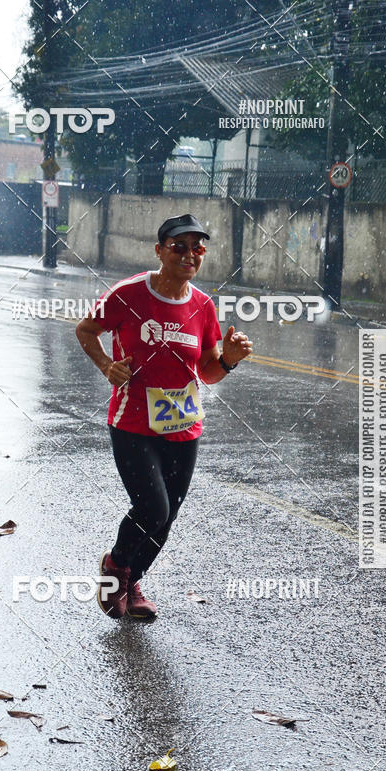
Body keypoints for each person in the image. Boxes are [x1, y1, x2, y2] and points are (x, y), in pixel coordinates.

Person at [75, 213, 252, 621]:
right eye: (178, 247)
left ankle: (132, 582)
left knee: (167, 515)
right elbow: (86, 330)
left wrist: (229, 359)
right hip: (132, 421)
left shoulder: (203, 306)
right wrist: (106, 366)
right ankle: (115, 567)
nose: (189, 255)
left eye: (197, 248)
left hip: (183, 425)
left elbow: (206, 371)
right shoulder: (129, 293)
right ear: (159, 251)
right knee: (152, 508)